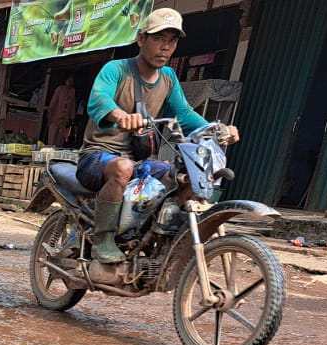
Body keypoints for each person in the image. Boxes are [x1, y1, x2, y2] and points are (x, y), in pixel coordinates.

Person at [77, 8, 240, 263]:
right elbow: (99, 100)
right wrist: (121, 116)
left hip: (140, 162)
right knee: (123, 167)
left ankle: (153, 237)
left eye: (172, 41)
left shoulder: (168, 78)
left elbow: (184, 115)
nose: (165, 47)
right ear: (142, 39)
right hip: (97, 156)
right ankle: (103, 239)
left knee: (180, 177)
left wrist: (217, 129)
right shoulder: (116, 69)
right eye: (158, 39)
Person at [47, 75, 77, 147]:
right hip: (55, 117)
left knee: (60, 139)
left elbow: (73, 105)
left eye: (71, 81)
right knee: (52, 137)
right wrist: (50, 113)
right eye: (68, 80)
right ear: (65, 81)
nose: (70, 82)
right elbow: (53, 102)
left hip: (64, 120)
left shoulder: (72, 91)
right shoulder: (60, 89)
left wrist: (72, 118)